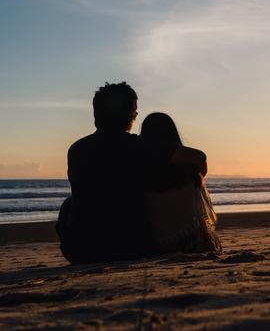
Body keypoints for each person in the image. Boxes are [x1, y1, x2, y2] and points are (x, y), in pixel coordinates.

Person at [56, 82, 208, 264]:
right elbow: (199, 158)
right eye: (135, 112)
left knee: (69, 204)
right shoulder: (141, 147)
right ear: (130, 116)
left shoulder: (76, 149)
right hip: (131, 248)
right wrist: (196, 182)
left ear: (96, 115)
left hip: (80, 251)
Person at [140, 112, 222, 254]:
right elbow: (201, 158)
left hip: (155, 238)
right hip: (189, 236)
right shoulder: (187, 170)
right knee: (196, 180)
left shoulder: (140, 163)